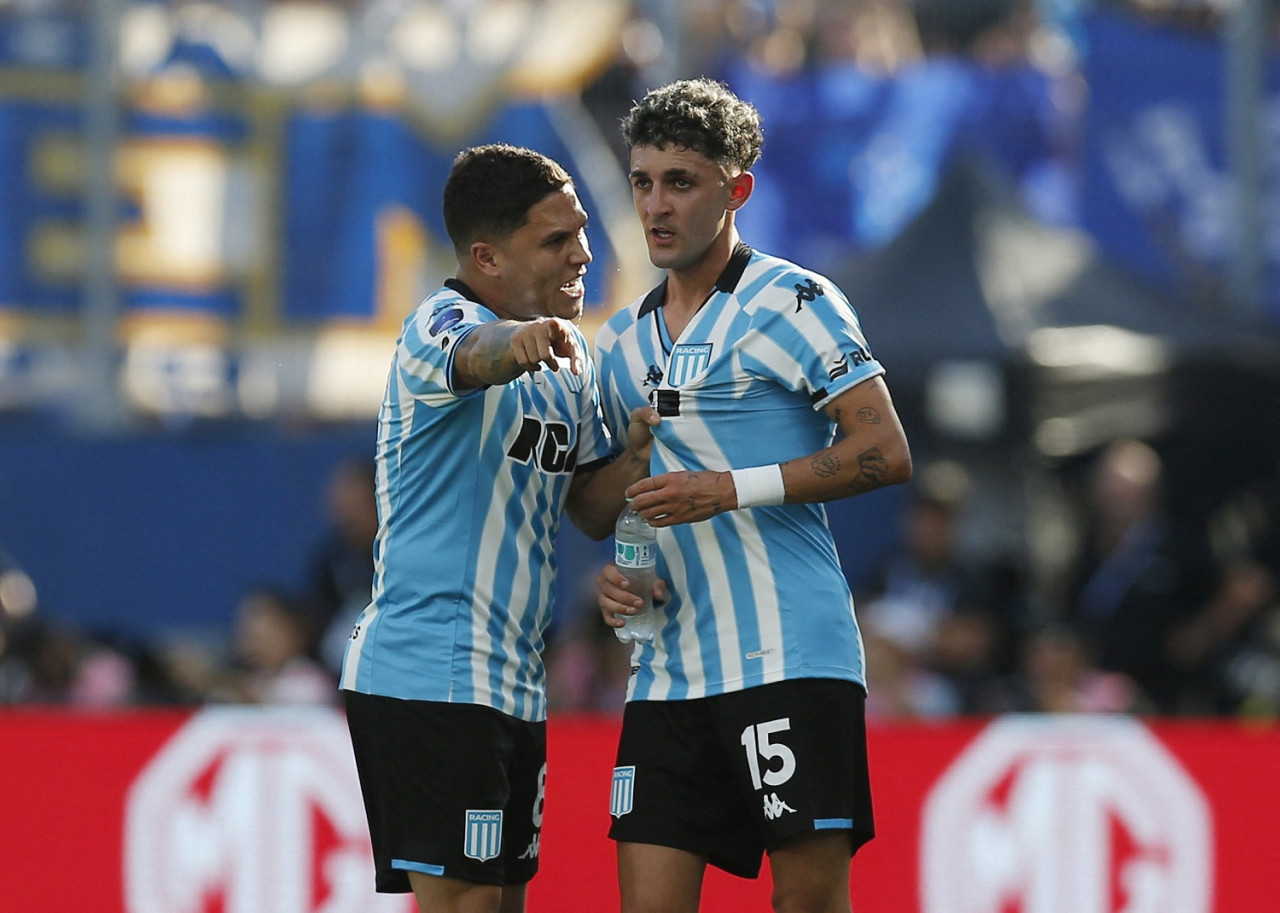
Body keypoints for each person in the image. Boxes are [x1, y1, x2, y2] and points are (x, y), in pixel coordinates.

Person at [593, 78, 913, 913]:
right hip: (665, 670)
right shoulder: (621, 341)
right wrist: (625, 572)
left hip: (789, 658)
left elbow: (885, 449)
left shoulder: (795, 301)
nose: (656, 206)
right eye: (643, 182)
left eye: (681, 182)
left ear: (737, 190)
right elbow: (605, 507)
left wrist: (729, 489)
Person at [339, 144, 655, 913]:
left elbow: (585, 507)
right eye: (555, 240)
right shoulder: (437, 323)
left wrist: (643, 447)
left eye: (580, 231)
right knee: (470, 901)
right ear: (485, 255)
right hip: (431, 667)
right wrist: (513, 344)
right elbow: (471, 354)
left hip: (513, 680)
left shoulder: (568, 362)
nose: (583, 252)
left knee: (500, 903)